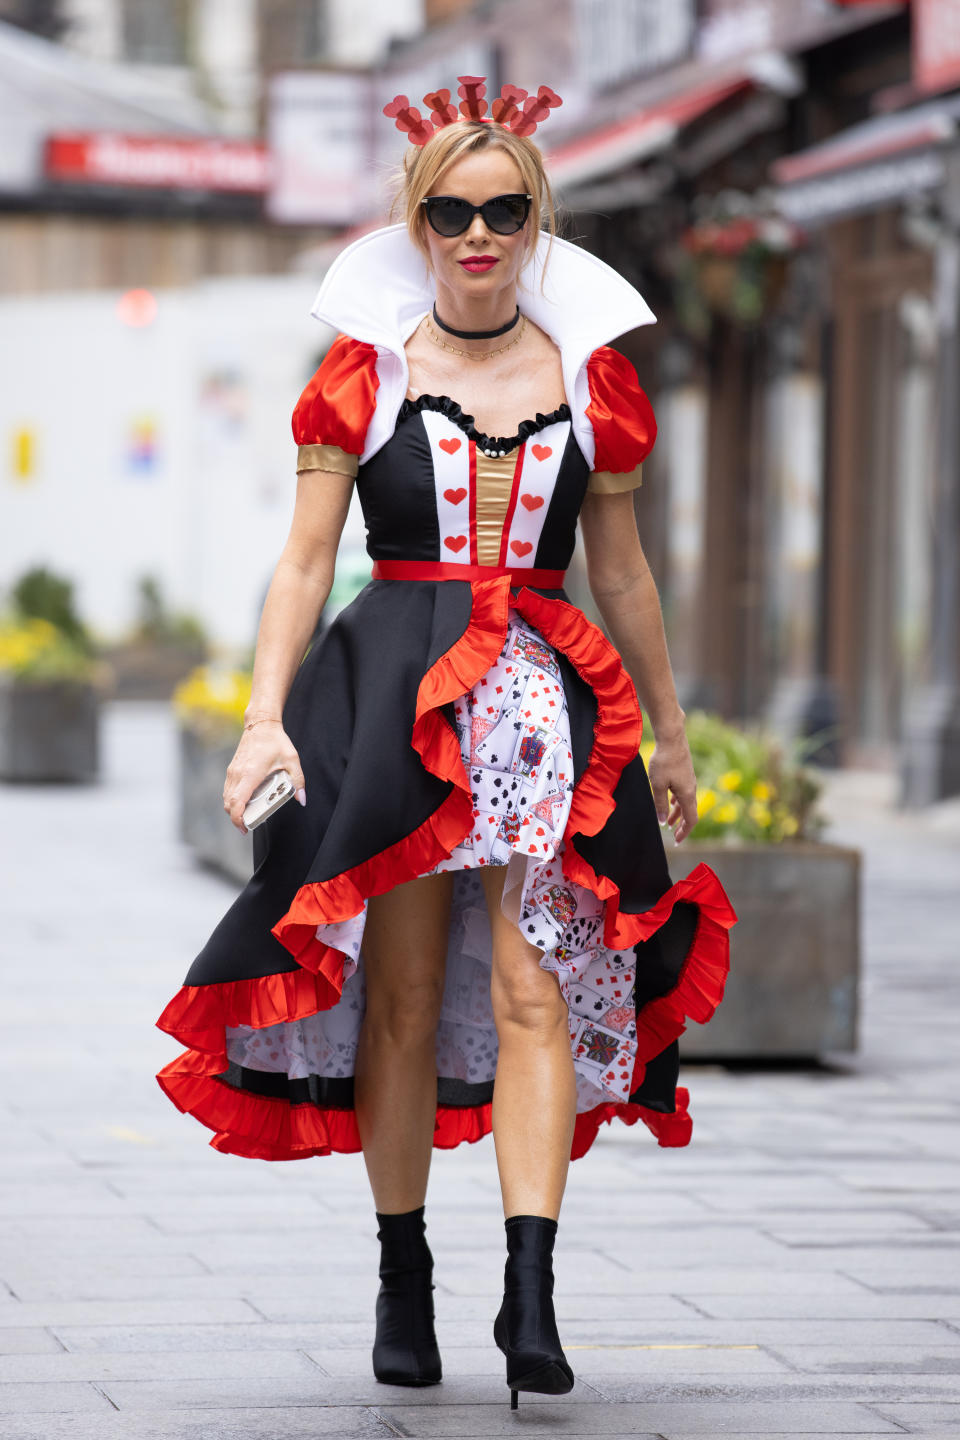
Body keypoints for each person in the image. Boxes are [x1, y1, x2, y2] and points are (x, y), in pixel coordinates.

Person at [154, 75, 738, 1411]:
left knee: (536, 990)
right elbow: (304, 568)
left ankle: (530, 1290)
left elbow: (629, 575)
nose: (479, 234)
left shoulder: (597, 383)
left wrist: (670, 730)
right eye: (453, 212)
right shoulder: (360, 378)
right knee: (405, 998)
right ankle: (402, 1268)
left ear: (538, 222)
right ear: (415, 226)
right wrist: (260, 721)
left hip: (542, 709)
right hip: (391, 701)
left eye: (504, 210)